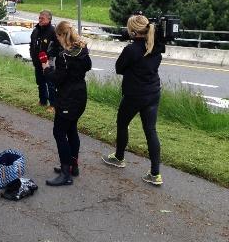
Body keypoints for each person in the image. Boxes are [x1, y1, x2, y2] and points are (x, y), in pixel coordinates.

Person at [101, 14, 165, 186]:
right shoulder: (156, 45)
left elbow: (119, 68)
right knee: (150, 130)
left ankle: (119, 157)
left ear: (133, 31)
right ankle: (155, 174)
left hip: (134, 94)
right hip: (153, 93)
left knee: (122, 123)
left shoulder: (131, 49)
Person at [42, 21, 92, 186]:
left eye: (57, 36)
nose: (57, 39)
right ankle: (73, 166)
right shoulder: (83, 49)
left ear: (62, 35)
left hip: (68, 99)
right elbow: (87, 66)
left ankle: (66, 173)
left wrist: (46, 68)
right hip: (80, 96)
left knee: (59, 133)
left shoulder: (65, 56)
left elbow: (57, 80)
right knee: (71, 130)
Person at [30, 10, 59, 110]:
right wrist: (33, 56)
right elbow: (32, 45)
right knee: (40, 82)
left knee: (50, 84)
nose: (40, 20)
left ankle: (53, 105)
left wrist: (48, 57)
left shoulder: (53, 31)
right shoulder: (36, 30)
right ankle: (42, 101)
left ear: (49, 19)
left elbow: (58, 47)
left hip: (48, 63)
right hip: (37, 62)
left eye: (42, 18)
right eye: (39, 18)